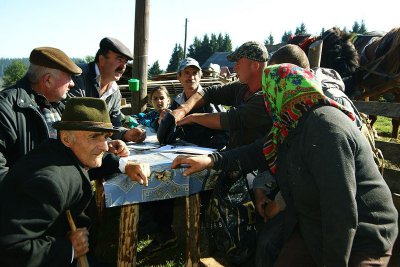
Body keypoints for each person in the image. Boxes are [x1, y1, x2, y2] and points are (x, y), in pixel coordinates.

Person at [0, 97, 151, 267]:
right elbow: (9, 249)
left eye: (106, 136)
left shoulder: (56, 151)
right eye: (94, 137)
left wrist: (124, 164)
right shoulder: (50, 184)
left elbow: (91, 161)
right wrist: (69, 248)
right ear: (66, 138)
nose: (104, 146)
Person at [167, 43, 272, 265]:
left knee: (248, 226)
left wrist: (192, 117)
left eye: (238, 62)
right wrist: (184, 108)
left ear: (254, 65)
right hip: (236, 160)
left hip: (258, 166)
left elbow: (228, 120)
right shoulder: (241, 88)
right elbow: (209, 92)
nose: (233, 67)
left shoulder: (264, 97)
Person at [140, 57, 229, 256]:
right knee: (161, 179)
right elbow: (165, 139)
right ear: (179, 77)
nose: (191, 76)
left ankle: (211, 237)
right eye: (186, 73)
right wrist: (165, 124)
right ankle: (164, 232)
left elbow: (225, 133)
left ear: (200, 75)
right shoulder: (176, 104)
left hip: (208, 158)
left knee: (209, 196)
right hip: (181, 156)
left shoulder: (212, 101)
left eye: (195, 72)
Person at [67, 37, 146, 143]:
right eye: (119, 60)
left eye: (125, 62)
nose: (123, 67)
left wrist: (126, 134)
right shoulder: (78, 76)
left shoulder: (115, 91)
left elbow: (114, 124)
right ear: (102, 60)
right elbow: (77, 122)